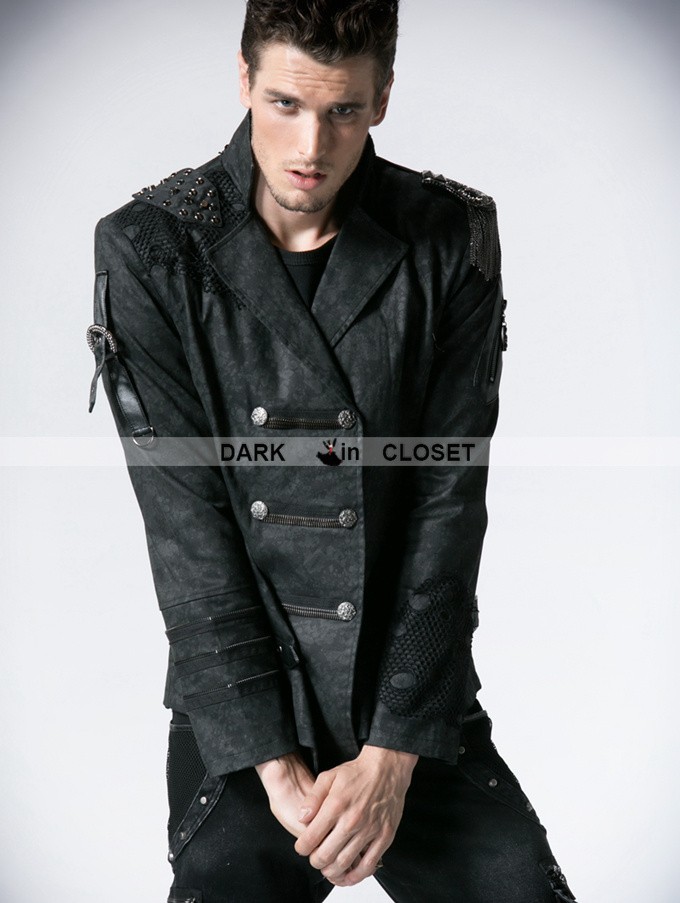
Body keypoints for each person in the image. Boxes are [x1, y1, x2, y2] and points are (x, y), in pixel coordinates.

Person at [86, 2, 578, 901]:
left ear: (382, 98)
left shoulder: (450, 236)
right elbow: (187, 532)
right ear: (243, 79)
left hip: (407, 690)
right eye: (285, 103)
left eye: (343, 110)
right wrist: (275, 767)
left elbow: (446, 505)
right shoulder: (153, 247)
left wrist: (392, 756)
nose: (310, 145)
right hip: (245, 700)